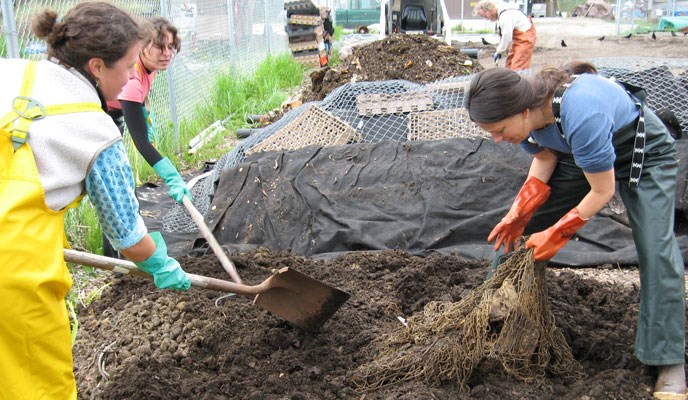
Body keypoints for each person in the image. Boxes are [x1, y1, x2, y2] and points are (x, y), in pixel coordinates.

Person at [0, 3, 192, 398]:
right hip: (15, 276)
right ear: (96, 66)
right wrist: (160, 263)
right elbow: (128, 237)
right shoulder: (96, 132)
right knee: (36, 386)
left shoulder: (11, 71)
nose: (128, 80)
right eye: (125, 67)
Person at [464, 62, 686, 399]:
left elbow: (602, 191)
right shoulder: (526, 122)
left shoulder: (581, 109)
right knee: (522, 229)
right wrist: (518, 212)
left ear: (522, 111)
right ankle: (494, 312)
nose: (496, 139)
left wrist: (558, 233)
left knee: (656, 248)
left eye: (498, 129)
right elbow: (545, 159)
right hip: (582, 154)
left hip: (641, 154)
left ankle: (668, 360)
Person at [105, 17, 190, 258]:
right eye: (159, 47)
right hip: (99, 119)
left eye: (170, 47)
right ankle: (113, 259)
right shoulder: (131, 80)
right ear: (141, 46)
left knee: (119, 186)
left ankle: (116, 256)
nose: (166, 53)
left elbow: (140, 98)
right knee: (115, 187)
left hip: (114, 113)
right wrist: (172, 176)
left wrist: (144, 110)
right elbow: (141, 143)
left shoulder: (148, 68)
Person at [474, 0, 536, 71]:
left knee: (518, 66)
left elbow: (507, 37)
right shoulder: (500, 14)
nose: (487, 19)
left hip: (525, 38)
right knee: (509, 65)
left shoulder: (505, 16)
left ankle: (522, 80)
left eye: (485, 16)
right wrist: (501, 50)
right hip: (517, 40)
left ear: (489, 9)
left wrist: (499, 51)